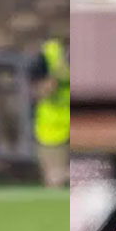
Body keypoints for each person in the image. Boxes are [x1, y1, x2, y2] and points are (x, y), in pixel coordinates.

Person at [32, 37, 69, 187]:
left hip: (67, 129)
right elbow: (40, 91)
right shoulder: (46, 60)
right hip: (49, 128)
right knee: (54, 179)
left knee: (58, 178)